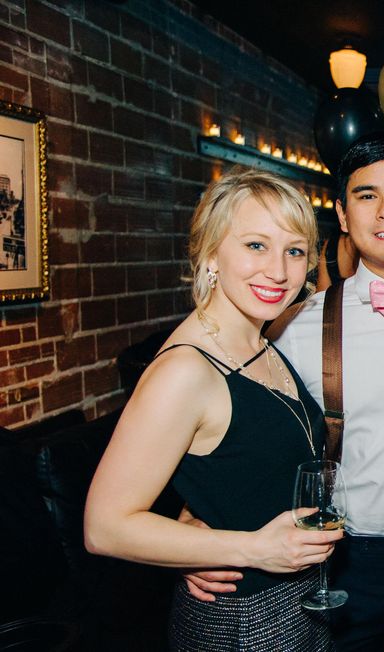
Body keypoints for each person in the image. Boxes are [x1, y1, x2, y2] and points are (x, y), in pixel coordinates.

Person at [189, 132, 384, 651]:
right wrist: (199, 518)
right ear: (342, 211)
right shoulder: (292, 327)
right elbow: (238, 429)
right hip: (336, 563)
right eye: (366, 195)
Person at [84, 169, 341, 651]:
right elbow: (104, 526)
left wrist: (192, 514)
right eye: (255, 245)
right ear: (211, 253)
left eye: (294, 250)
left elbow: (221, 460)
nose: (279, 271)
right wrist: (249, 548)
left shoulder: (255, 336)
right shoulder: (186, 370)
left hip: (294, 601)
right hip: (242, 620)